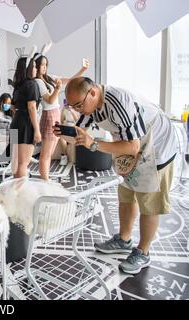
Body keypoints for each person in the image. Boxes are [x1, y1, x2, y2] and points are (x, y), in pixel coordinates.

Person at [54, 77, 177, 274]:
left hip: (156, 143)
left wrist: (93, 144)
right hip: (129, 143)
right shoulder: (90, 106)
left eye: (78, 104)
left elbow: (133, 146)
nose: (77, 109)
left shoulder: (119, 102)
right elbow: (80, 133)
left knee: (149, 199)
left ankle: (143, 251)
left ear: (93, 92)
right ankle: (124, 239)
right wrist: (63, 133)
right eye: (72, 105)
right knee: (127, 191)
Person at [35, 55, 89, 179]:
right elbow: (50, 99)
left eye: (45, 65)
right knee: (46, 154)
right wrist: (58, 88)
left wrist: (83, 70)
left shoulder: (49, 78)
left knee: (52, 149)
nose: (44, 67)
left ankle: (46, 179)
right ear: (36, 66)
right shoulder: (38, 81)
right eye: (42, 65)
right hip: (48, 115)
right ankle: (45, 181)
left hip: (56, 113)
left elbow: (70, 81)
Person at [10, 56, 41, 178]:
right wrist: (37, 130)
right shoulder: (32, 84)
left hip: (16, 121)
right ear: (27, 68)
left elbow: (12, 106)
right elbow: (32, 107)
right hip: (26, 123)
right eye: (33, 66)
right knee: (23, 163)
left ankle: (15, 192)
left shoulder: (18, 85)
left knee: (16, 162)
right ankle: (21, 193)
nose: (36, 69)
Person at [58, 100, 80, 166]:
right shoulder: (64, 109)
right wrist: (63, 110)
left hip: (73, 126)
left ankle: (70, 157)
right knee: (60, 137)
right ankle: (64, 156)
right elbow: (61, 120)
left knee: (67, 135)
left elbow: (77, 121)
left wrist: (71, 111)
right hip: (65, 125)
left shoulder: (77, 109)